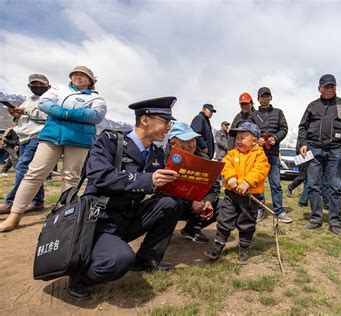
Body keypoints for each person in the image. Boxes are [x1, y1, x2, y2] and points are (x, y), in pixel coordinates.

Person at [67, 97, 182, 301]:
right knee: (118, 261)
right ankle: (81, 277)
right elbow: (100, 176)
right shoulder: (110, 141)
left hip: (128, 217)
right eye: (166, 122)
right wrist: (148, 179)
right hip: (100, 221)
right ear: (145, 120)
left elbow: (160, 188)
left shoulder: (156, 153)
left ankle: (146, 260)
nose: (168, 128)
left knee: (170, 204)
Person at [0, 66, 107, 232]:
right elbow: (44, 104)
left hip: (79, 140)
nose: (78, 76)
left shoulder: (96, 98)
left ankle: (66, 215)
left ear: (91, 81)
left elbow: (95, 116)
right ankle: (15, 215)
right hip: (51, 136)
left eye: (83, 75)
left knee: (70, 177)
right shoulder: (58, 89)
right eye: (75, 74)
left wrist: (63, 114)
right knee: (34, 174)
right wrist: (75, 114)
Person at [205, 122, 270, 264]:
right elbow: (226, 166)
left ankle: (244, 247)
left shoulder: (260, 155)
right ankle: (218, 244)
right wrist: (231, 177)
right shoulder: (232, 154)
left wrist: (247, 182)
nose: (238, 141)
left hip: (250, 197)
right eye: (237, 138)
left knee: (247, 223)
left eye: (242, 138)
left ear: (254, 141)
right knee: (224, 219)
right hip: (231, 195)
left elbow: (260, 170)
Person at [297, 74, 341, 236]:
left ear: (336, 87)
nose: (329, 90)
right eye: (325, 87)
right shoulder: (312, 106)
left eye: (331, 87)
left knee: (336, 187)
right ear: (319, 88)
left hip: (336, 150)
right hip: (314, 149)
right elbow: (302, 127)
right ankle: (315, 218)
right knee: (313, 185)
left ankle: (335, 221)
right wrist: (303, 143)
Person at [0, 74, 50, 215]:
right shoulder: (29, 100)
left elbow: (48, 117)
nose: (38, 87)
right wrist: (15, 113)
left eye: (41, 84)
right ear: (29, 86)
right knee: (32, 171)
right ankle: (37, 201)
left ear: (48, 85)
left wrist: (25, 111)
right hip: (24, 138)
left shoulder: (49, 99)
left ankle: (11, 203)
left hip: (37, 136)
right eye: (34, 84)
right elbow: (22, 116)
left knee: (22, 168)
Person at [166, 121, 220, 243]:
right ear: (173, 143)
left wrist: (207, 201)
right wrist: (191, 201)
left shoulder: (204, 159)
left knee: (222, 205)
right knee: (167, 202)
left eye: (193, 140)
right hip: (175, 204)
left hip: (199, 205)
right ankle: (162, 232)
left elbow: (214, 187)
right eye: (185, 141)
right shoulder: (164, 159)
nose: (191, 145)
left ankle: (192, 229)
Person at [251, 87, 291, 223]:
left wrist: (276, 137)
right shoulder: (253, 115)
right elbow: (249, 131)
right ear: (258, 99)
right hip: (258, 154)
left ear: (271, 97)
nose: (264, 98)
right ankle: (259, 209)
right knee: (258, 184)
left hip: (273, 154)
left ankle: (279, 211)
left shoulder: (278, 112)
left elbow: (284, 128)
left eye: (267, 96)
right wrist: (257, 139)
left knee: (276, 184)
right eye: (262, 96)